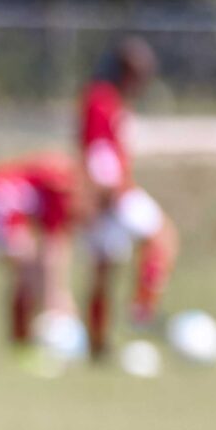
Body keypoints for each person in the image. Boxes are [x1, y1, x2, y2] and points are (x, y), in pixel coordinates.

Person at [78, 38, 176, 360]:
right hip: (113, 193)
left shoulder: (113, 99)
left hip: (106, 193)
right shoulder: (102, 99)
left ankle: (97, 343)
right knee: (162, 238)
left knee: (105, 269)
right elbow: (97, 151)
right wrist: (107, 192)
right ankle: (142, 310)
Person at [0, 152, 79, 354]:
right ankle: (31, 337)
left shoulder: (41, 179)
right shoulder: (59, 185)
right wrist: (58, 298)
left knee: (29, 275)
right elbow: (53, 249)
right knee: (30, 272)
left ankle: (25, 338)